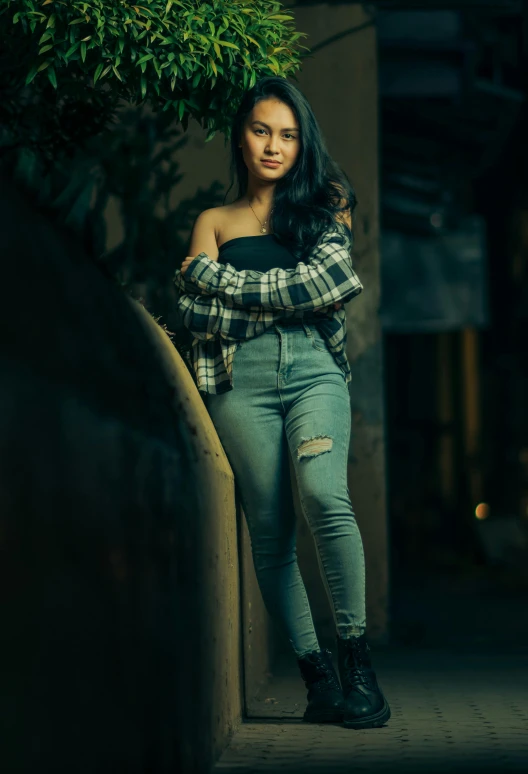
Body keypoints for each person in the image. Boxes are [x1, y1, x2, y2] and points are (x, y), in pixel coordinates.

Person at [174, 76, 390, 730]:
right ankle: (317, 680)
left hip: (313, 371)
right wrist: (275, 290)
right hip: (241, 382)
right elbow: (190, 308)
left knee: (325, 497)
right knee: (270, 533)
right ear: (241, 138)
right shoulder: (213, 219)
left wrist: (221, 281)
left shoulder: (326, 206)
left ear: (303, 145)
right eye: (262, 130)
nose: (275, 146)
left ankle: (359, 670)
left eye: (289, 135)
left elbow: (326, 286)